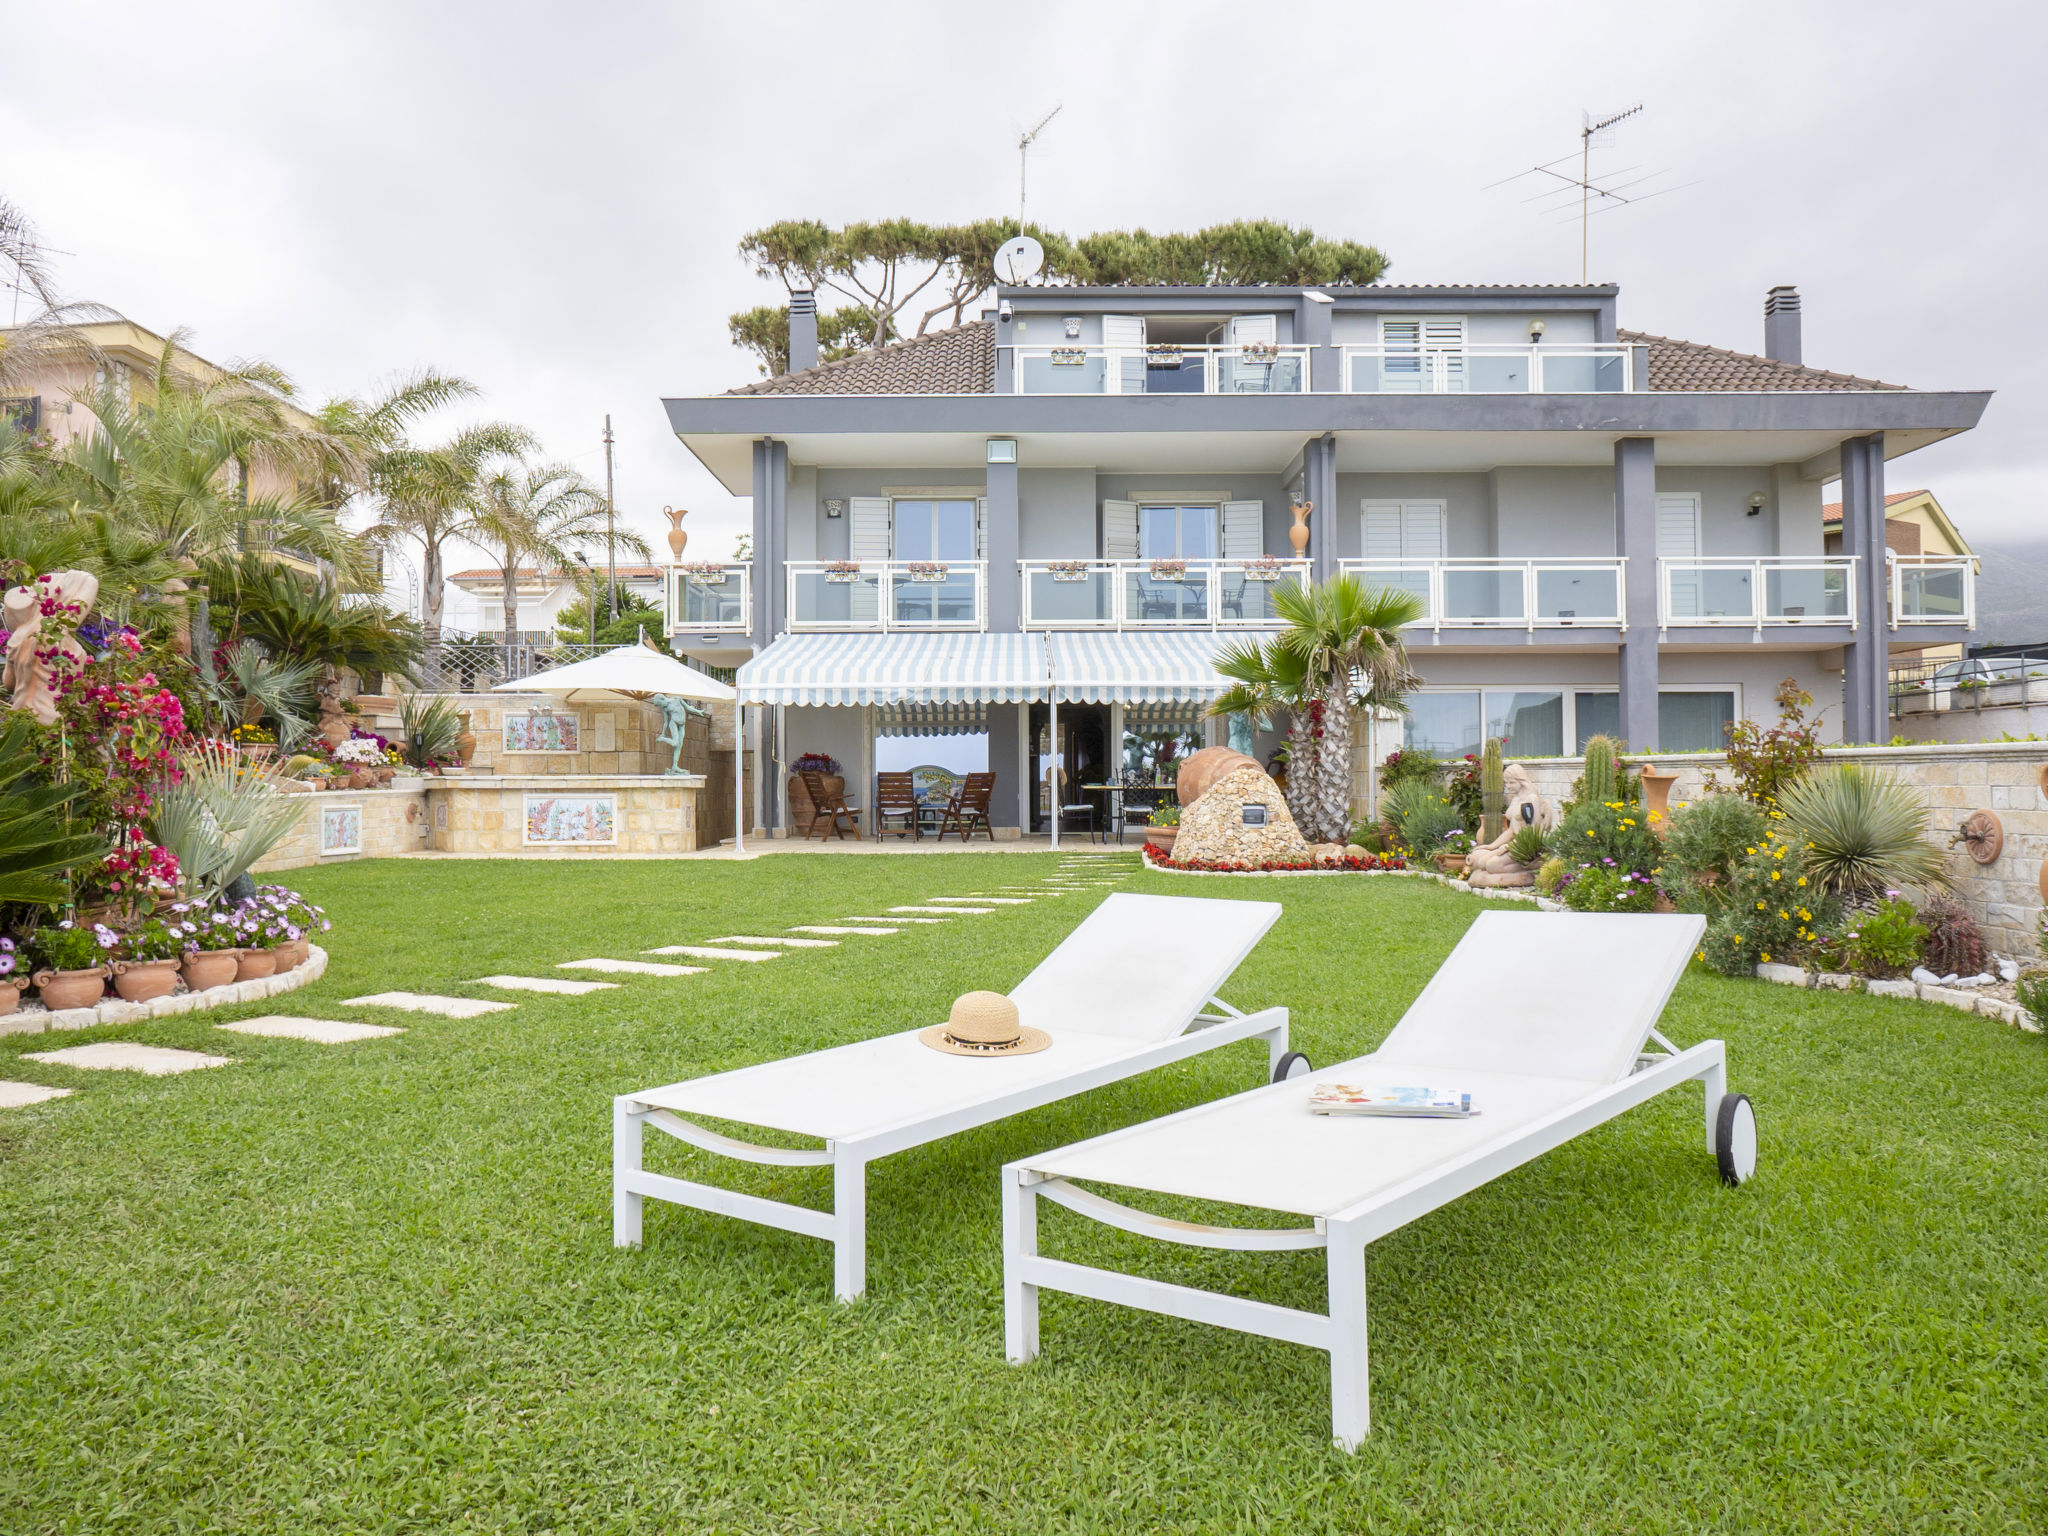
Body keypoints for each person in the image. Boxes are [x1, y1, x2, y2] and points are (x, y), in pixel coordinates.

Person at [651, 693, 710, 775]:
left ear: (662, 699)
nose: (661, 706)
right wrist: (663, 733)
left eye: (660, 704)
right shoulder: (665, 709)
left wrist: (697, 711)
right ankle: (662, 739)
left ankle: (675, 766)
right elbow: (666, 721)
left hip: (682, 725)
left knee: (679, 746)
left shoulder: (677, 699)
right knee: (675, 743)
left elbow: (687, 707)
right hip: (673, 724)